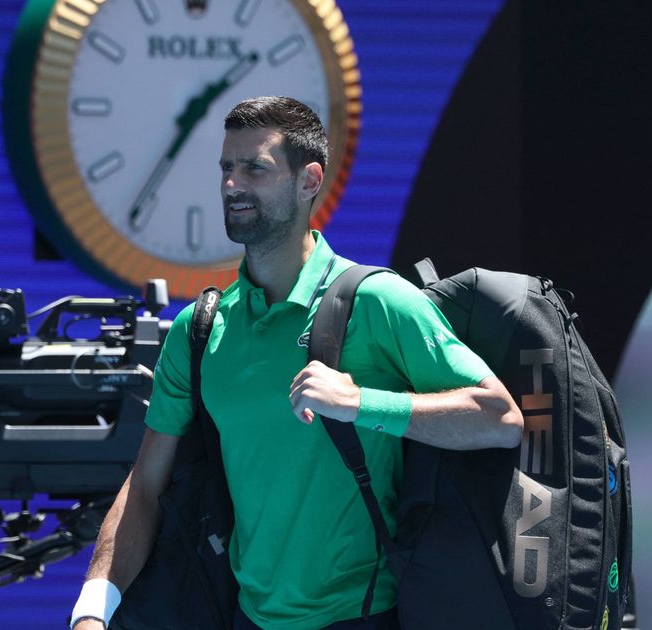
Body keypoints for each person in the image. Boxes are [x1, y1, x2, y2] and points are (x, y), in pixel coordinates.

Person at [69, 96, 524, 630]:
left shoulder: (380, 301)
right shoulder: (198, 330)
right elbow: (145, 486)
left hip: (366, 617)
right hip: (245, 617)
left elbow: (500, 418)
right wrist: (92, 611)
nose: (232, 185)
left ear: (309, 181)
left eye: (254, 169)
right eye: (226, 168)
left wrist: (360, 402)